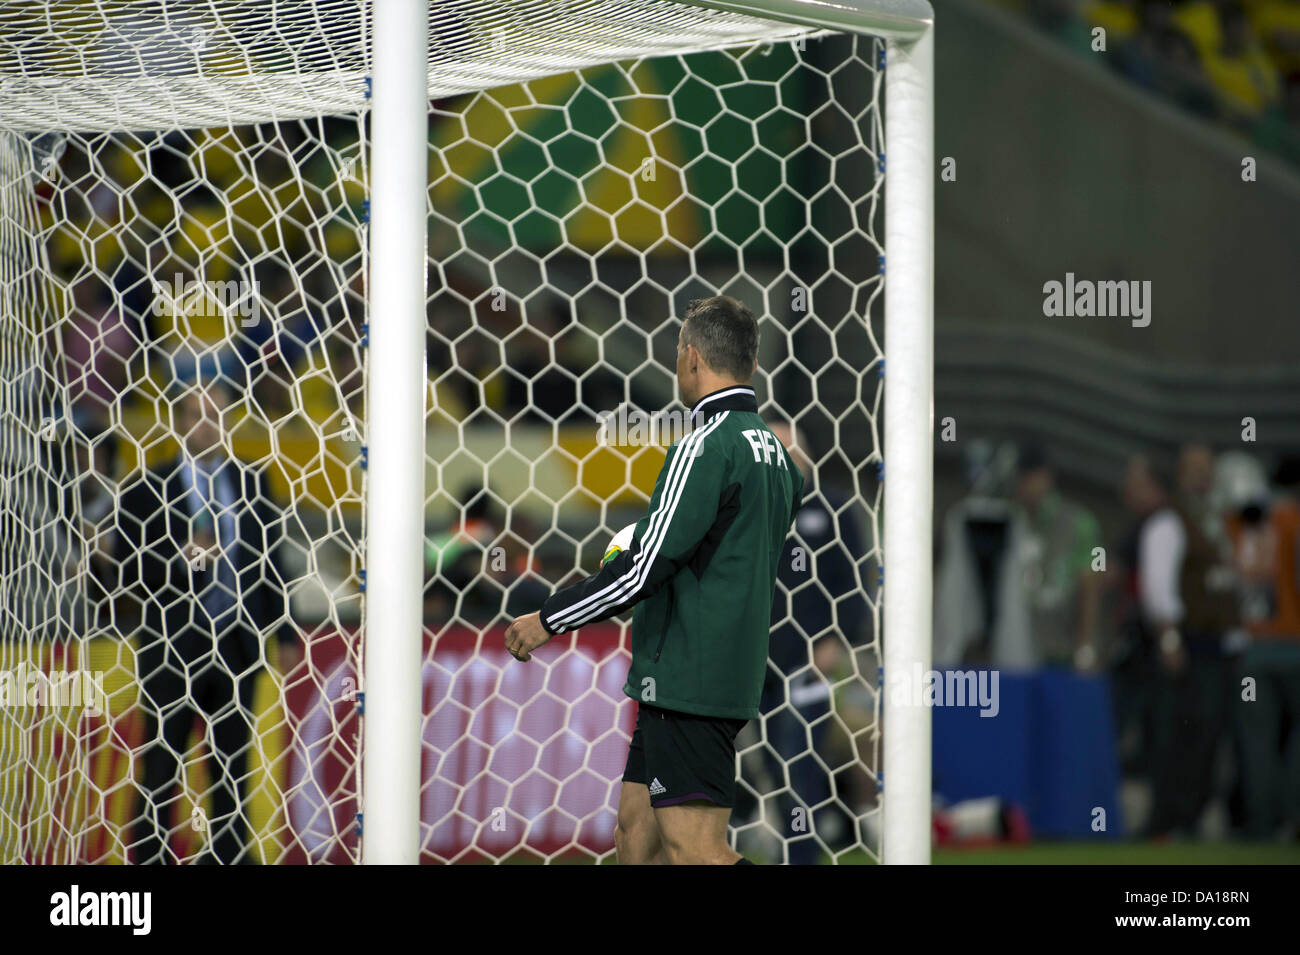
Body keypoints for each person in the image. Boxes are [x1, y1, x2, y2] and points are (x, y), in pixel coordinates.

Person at [503, 296, 802, 865]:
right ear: (753, 364)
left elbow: (641, 572)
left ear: (691, 358)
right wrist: (654, 537)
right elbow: (721, 550)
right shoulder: (780, 459)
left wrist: (549, 619)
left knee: (694, 849)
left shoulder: (704, 447)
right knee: (635, 838)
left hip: (690, 676)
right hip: (711, 673)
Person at [113, 363, 299, 863]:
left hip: (237, 646)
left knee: (231, 767)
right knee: (161, 766)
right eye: (197, 413)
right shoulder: (144, 488)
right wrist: (183, 564)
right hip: (173, 649)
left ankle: (228, 856)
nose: (207, 423)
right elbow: (129, 575)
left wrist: (282, 630)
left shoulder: (253, 482)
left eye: (217, 413)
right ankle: (148, 860)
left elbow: (272, 563)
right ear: (178, 421)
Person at [759, 419, 867, 864]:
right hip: (755, 665)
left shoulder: (833, 508)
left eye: (790, 447)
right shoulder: (750, 507)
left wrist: (836, 638)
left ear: (806, 454)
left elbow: (856, 581)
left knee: (797, 765)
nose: (784, 456)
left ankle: (802, 857)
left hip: (809, 662)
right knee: (771, 767)